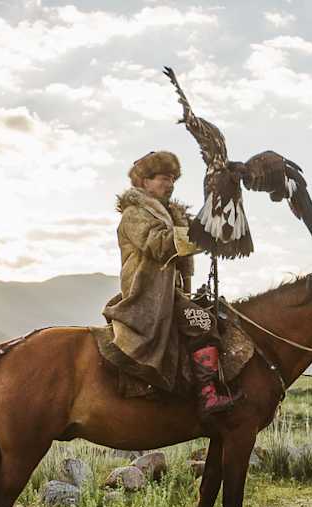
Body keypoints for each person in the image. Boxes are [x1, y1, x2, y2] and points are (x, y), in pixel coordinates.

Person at [101, 150, 240, 417]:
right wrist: (203, 236)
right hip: (149, 296)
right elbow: (160, 243)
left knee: (219, 314)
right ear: (143, 181)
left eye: (173, 179)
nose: (170, 184)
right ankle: (208, 396)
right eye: (164, 178)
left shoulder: (169, 216)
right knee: (203, 322)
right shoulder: (134, 214)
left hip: (171, 293)